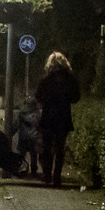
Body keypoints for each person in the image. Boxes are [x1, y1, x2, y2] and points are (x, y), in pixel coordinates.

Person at [35, 51, 81, 187]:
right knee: (60, 148)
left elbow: (38, 96)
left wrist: (47, 101)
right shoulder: (70, 79)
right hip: (63, 117)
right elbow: (76, 97)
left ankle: (47, 174)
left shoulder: (46, 79)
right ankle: (57, 177)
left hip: (48, 117)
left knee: (47, 147)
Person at [14, 95, 41, 177]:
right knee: (33, 155)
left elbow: (15, 126)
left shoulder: (21, 114)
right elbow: (39, 125)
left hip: (23, 138)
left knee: (22, 154)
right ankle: (34, 170)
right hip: (33, 137)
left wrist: (10, 132)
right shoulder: (37, 114)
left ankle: (22, 168)